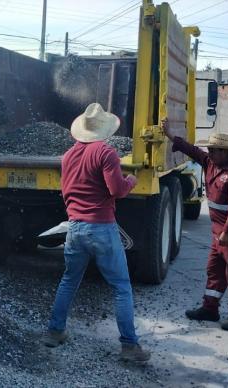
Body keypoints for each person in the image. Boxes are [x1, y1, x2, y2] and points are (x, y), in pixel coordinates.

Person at [42, 103, 151, 362]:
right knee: (121, 287)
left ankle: (54, 332)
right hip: (101, 227)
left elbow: (67, 190)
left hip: (75, 227)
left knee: (69, 280)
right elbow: (116, 190)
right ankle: (129, 346)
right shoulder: (106, 152)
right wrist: (131, 181)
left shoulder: (67, 156)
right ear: (105, 130)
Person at [165, 123, 228, 331]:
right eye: (210, 150)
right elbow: (192, 150)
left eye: (214, 150)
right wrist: (169, 135)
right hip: (218, 230)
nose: (210, 153)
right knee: (214, 269)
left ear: (226, 152)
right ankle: (210, 309)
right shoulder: (210, 163)